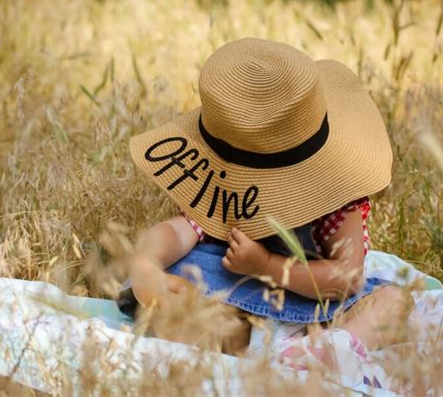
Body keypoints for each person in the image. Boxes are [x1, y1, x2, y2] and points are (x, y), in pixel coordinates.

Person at [117, 37, 413, 361]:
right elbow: (175, 231)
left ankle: (319, 353)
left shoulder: (336, 196)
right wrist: (146, 264)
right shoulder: (223, 189)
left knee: (394, 302)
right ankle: (260, 351)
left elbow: (347, 278)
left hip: (316, 307)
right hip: (233, 306)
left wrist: (268, 265)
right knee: (171, 308)